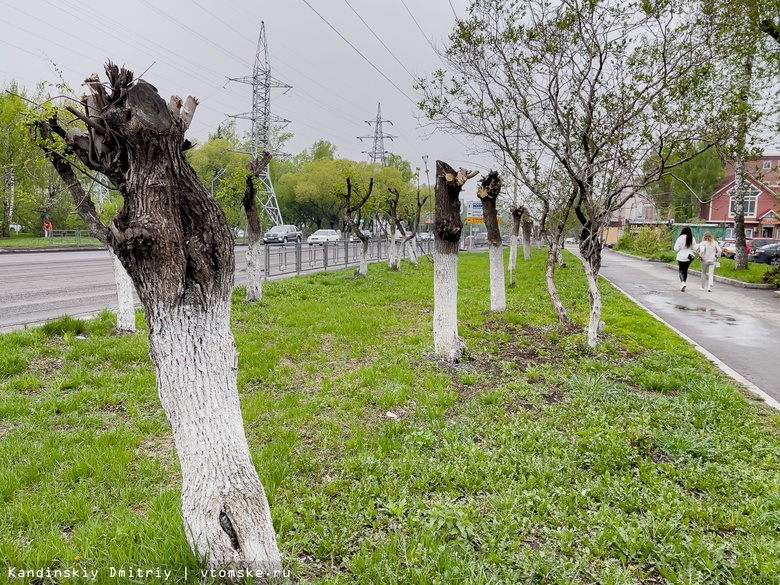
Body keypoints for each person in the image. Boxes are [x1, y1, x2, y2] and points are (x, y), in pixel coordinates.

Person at [673, 225, 696, 292]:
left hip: (681, 255)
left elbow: (676, 248)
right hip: (689, 256)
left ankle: (683, 282)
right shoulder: (692, 238)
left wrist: (680, 248)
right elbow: (695, 247)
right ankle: (684, 283)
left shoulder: (680, 238)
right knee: (685, 270)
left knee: (681, 270)